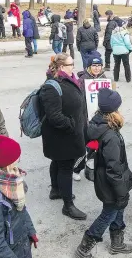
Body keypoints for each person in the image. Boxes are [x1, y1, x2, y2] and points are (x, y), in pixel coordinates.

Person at [74, 88, 132, 258]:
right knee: (109, 213)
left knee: (118, 209)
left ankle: (117, 243)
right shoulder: (110, 135)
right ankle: (85, 246)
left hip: (107, 178)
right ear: (114, 110)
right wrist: (121, 191)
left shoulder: (100, 124)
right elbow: (114, 168)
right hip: (111, 182)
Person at [40, 53, 88, 220]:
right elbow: (54, 116)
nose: (73, 66)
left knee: (57, 162)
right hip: (61, 136)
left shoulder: (68, 79)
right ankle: (68, 206)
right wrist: (72, 125)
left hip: (66, 134)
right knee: (66, 168)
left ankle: (55, 190)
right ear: (61, 67)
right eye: (71, 64)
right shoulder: (51, 86)